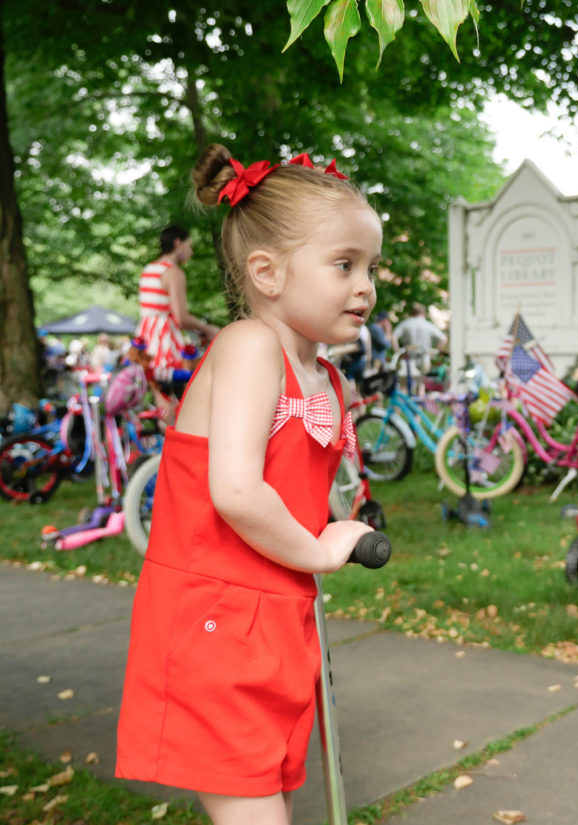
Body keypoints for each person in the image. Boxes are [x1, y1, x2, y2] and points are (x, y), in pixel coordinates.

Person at [115, 143, 380, 825]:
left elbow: (297, 486)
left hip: (276, 619)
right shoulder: (249, 347)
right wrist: (322, 548)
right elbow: (235, 488)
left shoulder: (326, 377)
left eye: (371, 267)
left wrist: (328, 533)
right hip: (216, 617)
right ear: (265, 272)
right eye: (344, 264)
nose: (366, 286)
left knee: (272, 797)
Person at [135, 225, 220, 371]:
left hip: (144, 342)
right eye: (189, 246)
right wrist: (209, 329)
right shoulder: (173, 272)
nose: (191, 252)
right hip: (164, 345)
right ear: (178, 243)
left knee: (157, 390)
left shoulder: (149, 269)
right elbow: (181, 317)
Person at [393, 303, 446, 391]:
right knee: (421, 383)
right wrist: (436, 352)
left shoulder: (406, 323)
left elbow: (393, 337)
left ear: (412, 313)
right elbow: (443, 339)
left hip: (408, 358)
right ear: (424, 313)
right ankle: (419, 402)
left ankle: (406, 403)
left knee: (405, 384)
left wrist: (398, 352)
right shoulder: (428, 324)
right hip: (424, 358)